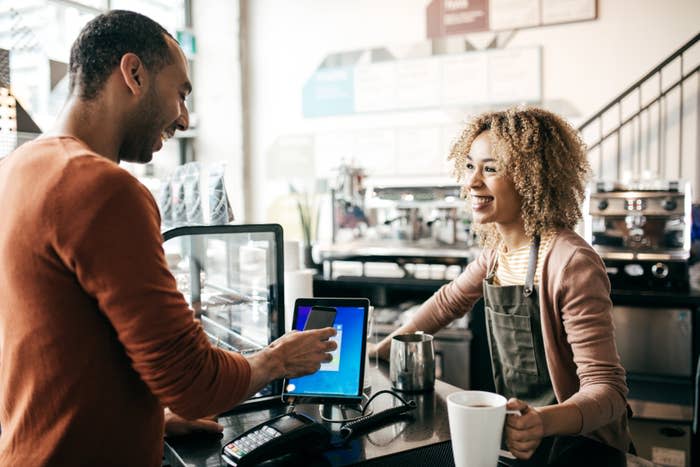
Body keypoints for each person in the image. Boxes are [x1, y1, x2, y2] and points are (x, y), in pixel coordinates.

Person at [0, 10, 336, 466]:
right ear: (134, 74)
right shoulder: (103, 188)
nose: (183, 118)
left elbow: (57, 343)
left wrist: (147, 415)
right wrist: (278, 359)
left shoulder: (18, 167)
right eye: (180, 94)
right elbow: (193, 382)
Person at [371, 107, 632, 458]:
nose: (471, 182)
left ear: (532, 177)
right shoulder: (498, 253)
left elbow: (608, 391)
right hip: (527, 440)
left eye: (490, 169)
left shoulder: (571, 263)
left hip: (580, 447)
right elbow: (448, 301)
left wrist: (543, 421)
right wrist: (382, 349)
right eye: (469, 166)